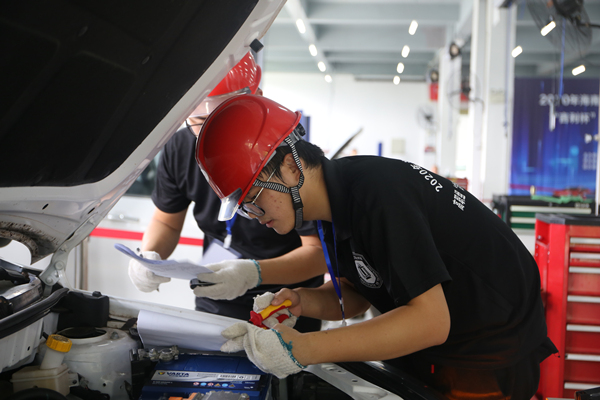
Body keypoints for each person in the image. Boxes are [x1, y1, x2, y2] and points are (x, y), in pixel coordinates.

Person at [194, 94, 558, 399]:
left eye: (254, 199)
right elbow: (360, 291)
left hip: (484, 354)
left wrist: (303, 348)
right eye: (244, 208)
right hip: (439, 346)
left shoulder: (376, 195)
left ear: (289, 166)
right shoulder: (331, 205)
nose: (254, 216)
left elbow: (430, 322)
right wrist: (300, 300)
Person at [128, 53, 325, 333]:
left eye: (225, 116)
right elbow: (166, 221)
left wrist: (253, 273)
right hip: (215, 295)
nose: (212, 131)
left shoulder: (288, 156)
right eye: (200, 120)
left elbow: (318, 253)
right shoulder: (180, 148)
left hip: (284, 304)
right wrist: (149, 256)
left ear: (256, 98)